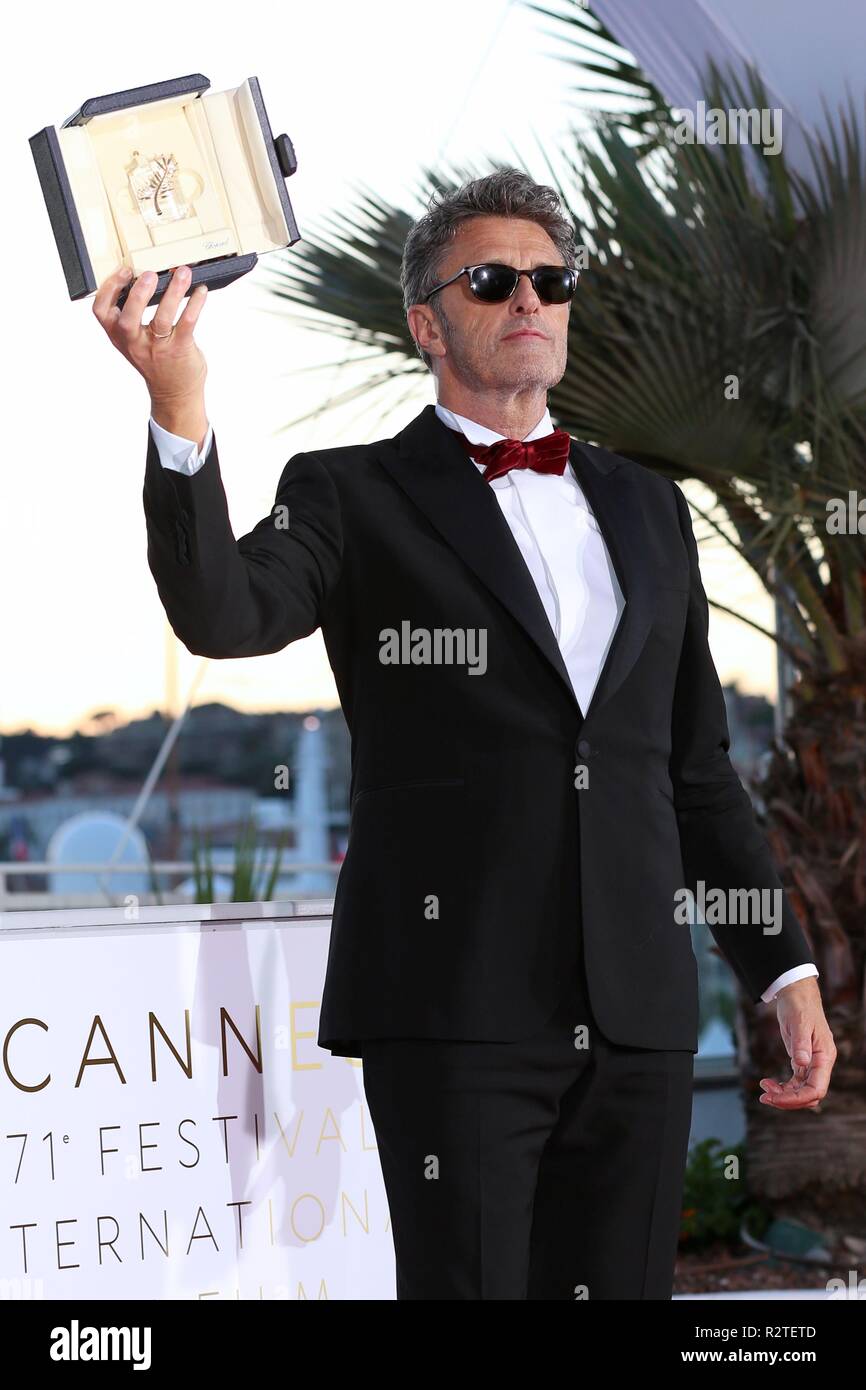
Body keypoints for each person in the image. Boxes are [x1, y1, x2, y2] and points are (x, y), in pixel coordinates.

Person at [93, 169, 835, 1300]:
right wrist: (179, 410)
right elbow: (222, 614)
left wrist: (779, 966)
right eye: (493, 281)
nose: (530, 300)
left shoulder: (648, 506)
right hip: (456, 1007)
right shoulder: (347, 493)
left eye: (551, 279)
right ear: (427, 323)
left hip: (636, 1013)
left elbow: (691, 772)